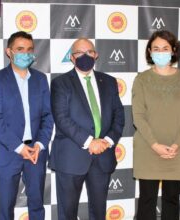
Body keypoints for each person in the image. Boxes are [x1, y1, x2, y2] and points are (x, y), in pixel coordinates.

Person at [49, 38, 125, 220]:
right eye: (79, 53)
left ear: (96, 55)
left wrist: (107, 141)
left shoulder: (109, 81)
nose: (85, 56)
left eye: (89, 52)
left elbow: (119, 117)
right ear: (72, 58)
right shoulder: (61, 83)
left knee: (99, 213)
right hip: (71, 157)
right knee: (67, 213)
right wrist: (90, 142)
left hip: (103, 156)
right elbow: (61, 119)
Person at [0, 31, 53, 220]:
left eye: (29, 49)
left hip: (36, 152)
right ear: (9, 52)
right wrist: (18, 147)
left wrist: (40, 145)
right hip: (8, 152)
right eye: (20, 49)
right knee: (6, 207)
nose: (26, 53)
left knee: (37, 204)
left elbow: (48, 116)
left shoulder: (40, 79)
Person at [132, 30, 180, 220]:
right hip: (147, 148)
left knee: (172, 199)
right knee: (147, 200)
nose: (161, 52)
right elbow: (138, 116)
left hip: (176, 150)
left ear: (174, 50)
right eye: (156, 48)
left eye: (165, 48)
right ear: (150, 52)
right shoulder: (141, 80)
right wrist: (155, 145)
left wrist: (176, 144)